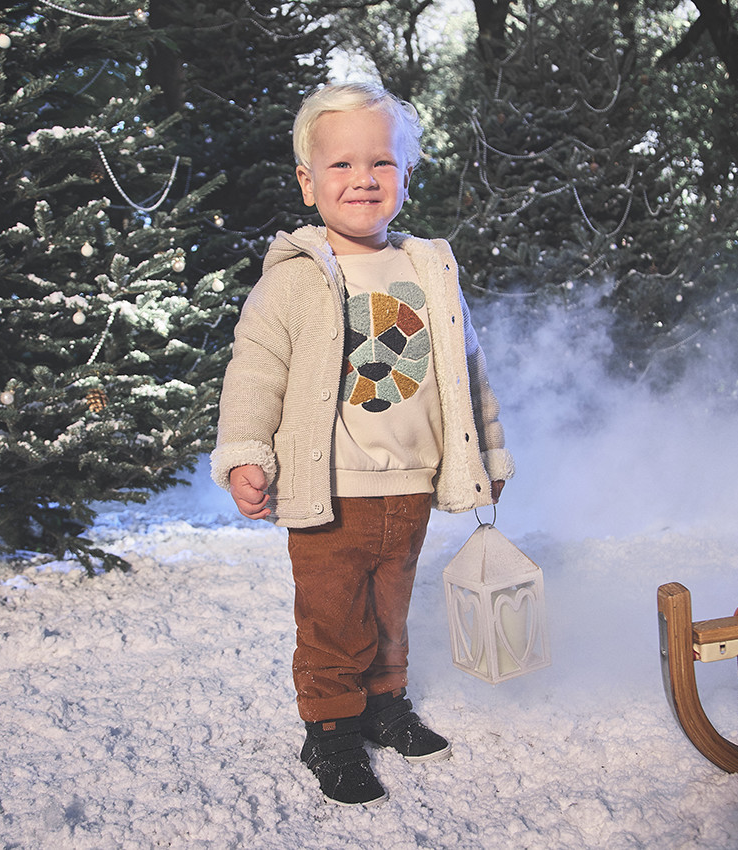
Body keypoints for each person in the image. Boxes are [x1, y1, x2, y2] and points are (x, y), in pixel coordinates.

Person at [211, 82, 513, 807]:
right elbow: (253, 371)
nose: (364, 179)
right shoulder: (294, 281)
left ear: (407, 177)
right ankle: (332, 726)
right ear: (307, 183)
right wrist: (247, 451)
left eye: (382, 162)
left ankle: (384, 703)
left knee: (389, 612)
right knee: (331, 616)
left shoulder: (429, 273)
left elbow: (469, 373)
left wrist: (488, 455)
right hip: (331, 491)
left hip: (408, 484)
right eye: (341, 166)